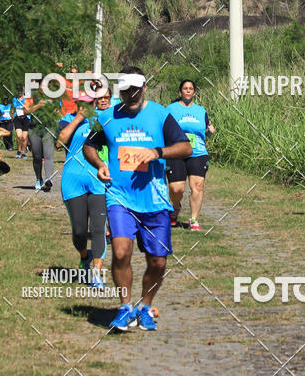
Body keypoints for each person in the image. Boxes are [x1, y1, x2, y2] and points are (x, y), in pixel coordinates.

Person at [83, 65, 191, 332]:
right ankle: (124, 307)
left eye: (135, 89)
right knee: (121, 252)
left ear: (144, 87)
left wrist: (157, 152)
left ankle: (145, 306)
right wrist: (99, 164)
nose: (130, 94)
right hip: (119, 196)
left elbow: (185, 146)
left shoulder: (160, 114)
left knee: (158, 261)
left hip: (154, 199)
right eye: (125, 90)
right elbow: (89, 146)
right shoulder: (106, 116)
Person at [57, 92, 107, 290]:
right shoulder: (67, 121)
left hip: (98, 179)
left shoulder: (102, 120)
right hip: (72, 180)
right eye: (83, 103)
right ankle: (84, 257)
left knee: (98, 228)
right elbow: (59, 142)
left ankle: (96, 273)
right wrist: (78, 118)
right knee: (79, 231)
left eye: (90, 103)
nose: (87, 106)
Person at [165, 79, 215, 231]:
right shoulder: (170, 109)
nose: (188, 90)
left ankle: (194, 219)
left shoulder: (201, 110)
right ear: (180, 92)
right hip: (176, 151)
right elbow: (163, 127)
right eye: (185, 88)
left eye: (191, 88)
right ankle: (175, 207)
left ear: (194, 92)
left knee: (198, 186)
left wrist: (210, 130)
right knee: (176, 189)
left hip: (197, 152)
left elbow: (207, 128)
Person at [26, 93, 55, 191]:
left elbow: (58, 113)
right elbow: (26, 111)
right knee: (37, 156)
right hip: (34, 129)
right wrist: (39, 105)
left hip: (48, 128)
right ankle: (39, 179)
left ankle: (48, 179)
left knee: (48, 155)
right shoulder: (32, 97)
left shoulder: (54, 97)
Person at [12, 87, 30, 159]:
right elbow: (12, 108)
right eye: (18, 91)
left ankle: (23, 152)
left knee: (24, 137)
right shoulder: (14, 99)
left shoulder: (27, 99)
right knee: (19, 136)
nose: (19, 93)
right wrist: (12, 115)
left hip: (25, 118)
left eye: (21, 91)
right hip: (17, 118)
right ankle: (19, 151)